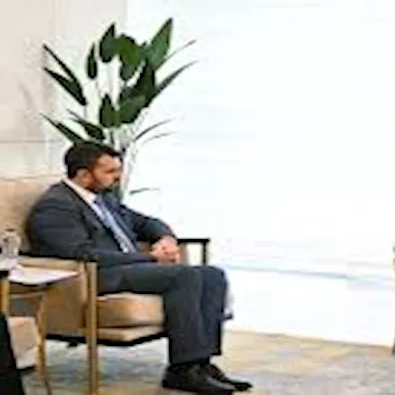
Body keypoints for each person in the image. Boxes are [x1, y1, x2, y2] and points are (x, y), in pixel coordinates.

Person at [25, 143, 251, 394]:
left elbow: (144, 222)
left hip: (126, 268)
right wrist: (149, 258)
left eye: (117, 170)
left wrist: (165, 239)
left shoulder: (103, 197)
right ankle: (182, 370)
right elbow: (81, 253)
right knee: (184, 275)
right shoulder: (55, 206)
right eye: (109, 171)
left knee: (212, 274)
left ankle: (202, 364)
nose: (117, 177)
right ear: (83, 174)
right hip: (94, 275)